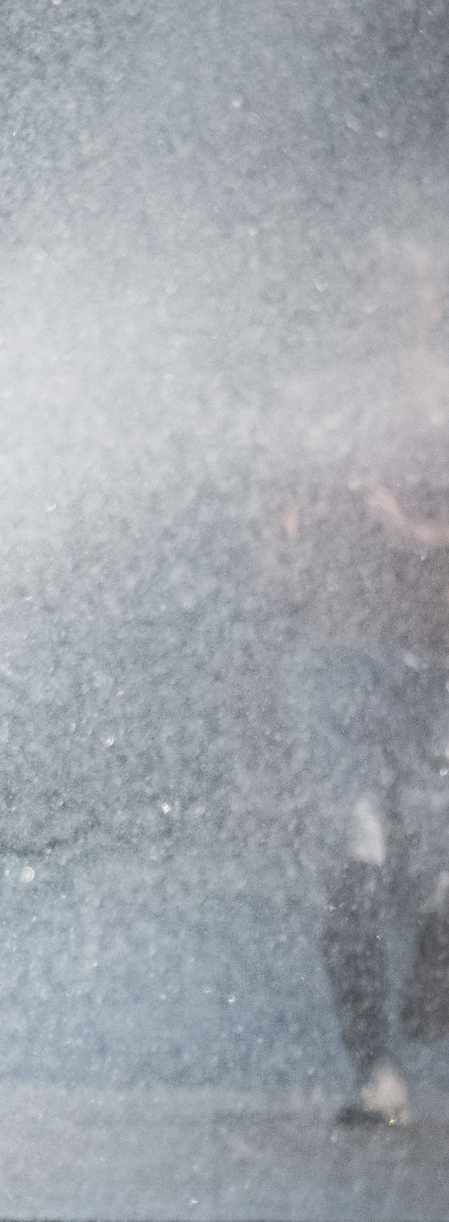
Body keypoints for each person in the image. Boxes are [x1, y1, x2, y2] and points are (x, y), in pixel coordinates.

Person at [265, 243, 449, 1125]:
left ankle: (440, 948)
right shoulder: (318, 404)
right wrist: (282, 551)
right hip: (335, 658)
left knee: (429, 872)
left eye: (405, 290)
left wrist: (408, 530)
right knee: (352, 869)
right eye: (370, 288)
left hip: (438, 671)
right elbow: (273, 518)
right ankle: (374, 1070)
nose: (387, 306)